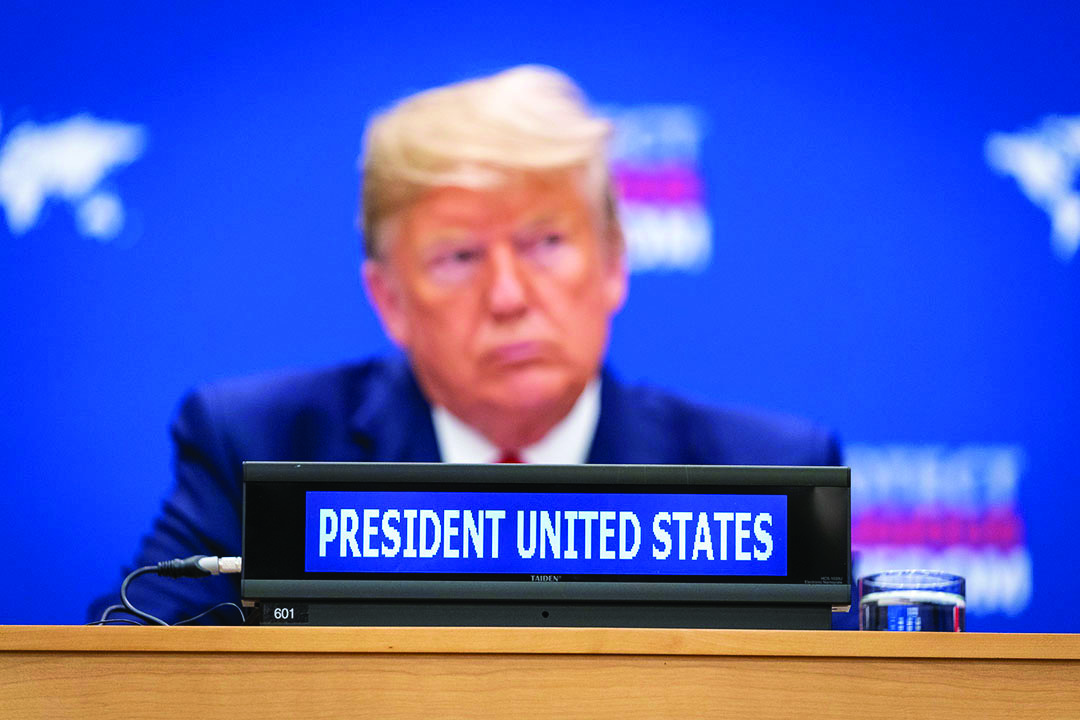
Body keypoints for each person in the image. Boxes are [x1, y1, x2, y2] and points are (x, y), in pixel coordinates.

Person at [88, 66, 841, 624]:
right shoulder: (257, 445)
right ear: (389, 299)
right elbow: (128, 674)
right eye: (458, 257)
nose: (508, 297)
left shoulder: (764, 480)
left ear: (614, 262)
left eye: (545, 243)